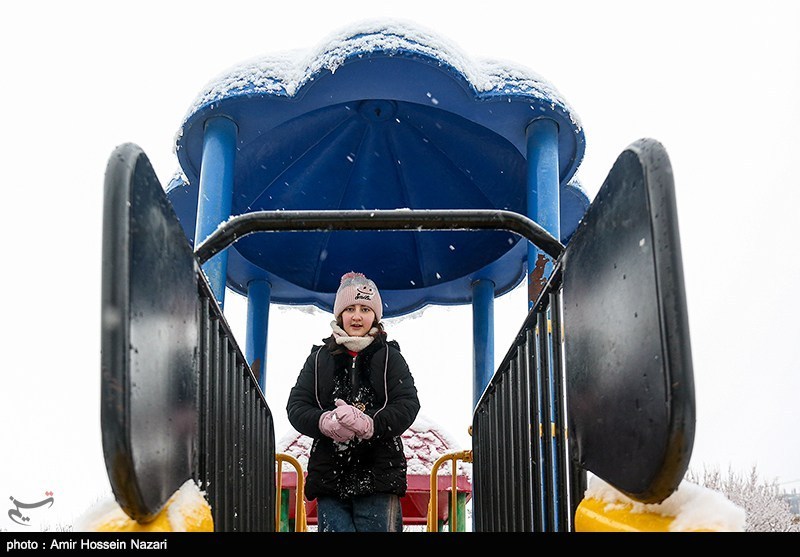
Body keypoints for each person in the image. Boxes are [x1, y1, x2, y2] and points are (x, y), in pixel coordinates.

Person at [286, 271, 421, 532]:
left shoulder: (390, 357)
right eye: (349, 309)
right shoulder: (319, 359)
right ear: (339, 315)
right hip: (331, 475)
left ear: (375, 316)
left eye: (364, 309)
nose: (357, 316)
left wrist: (370, 424)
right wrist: (324, 421)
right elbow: (297, 406)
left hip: (379, 474)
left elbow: (407, 404)